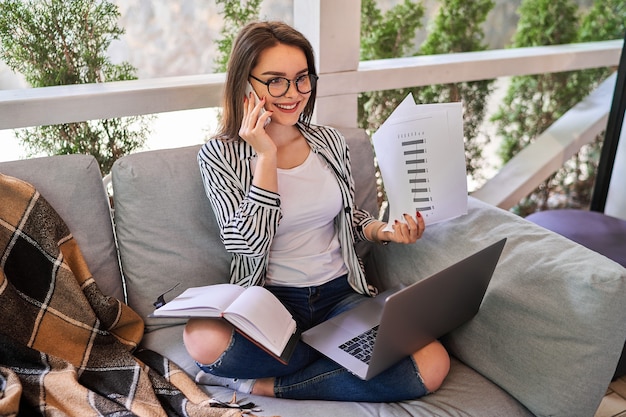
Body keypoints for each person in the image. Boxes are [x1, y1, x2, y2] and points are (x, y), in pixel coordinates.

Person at [184, 21, 450, 402]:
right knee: (200, 338)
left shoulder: (329, 142)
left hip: (339, 295)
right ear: (246, 83)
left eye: (302, 79)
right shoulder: (219, 155)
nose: (293, 94)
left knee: (432, 362)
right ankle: (327, 352)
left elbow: (348, 219)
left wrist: (385, 231)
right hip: (272, 302)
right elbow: (246, 244)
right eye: (275, 81)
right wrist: (266, 156)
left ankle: (273, 382)